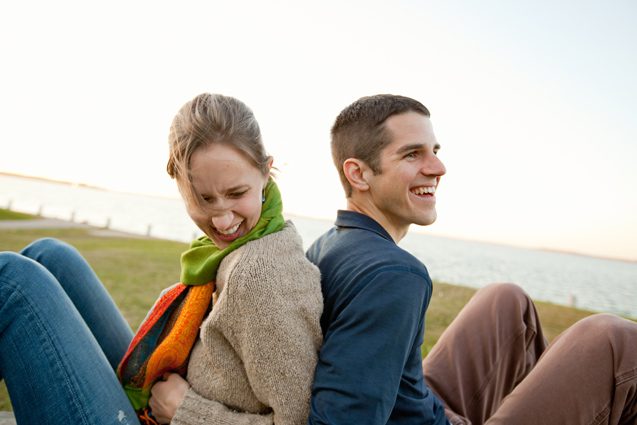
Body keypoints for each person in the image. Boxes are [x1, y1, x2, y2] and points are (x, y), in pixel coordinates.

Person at [306, 93, 637, 425]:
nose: (438, 168)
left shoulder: (331, 244)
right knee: (615, 341)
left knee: (506, 302)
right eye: (412, 154)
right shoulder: (394, 274)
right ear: (358, 174)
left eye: (434, 152)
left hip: (413, 408)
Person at [0, 93, 323, 425]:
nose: (223, 220)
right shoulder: (222, 253)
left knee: (10, 282)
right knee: (50, 255)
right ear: (180, 186)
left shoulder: (262, 275)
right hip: (159, 402)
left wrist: (186, 412)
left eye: (237, 194)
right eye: (204, 198)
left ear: (266, 173)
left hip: (174, 416)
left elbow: (299, 419)